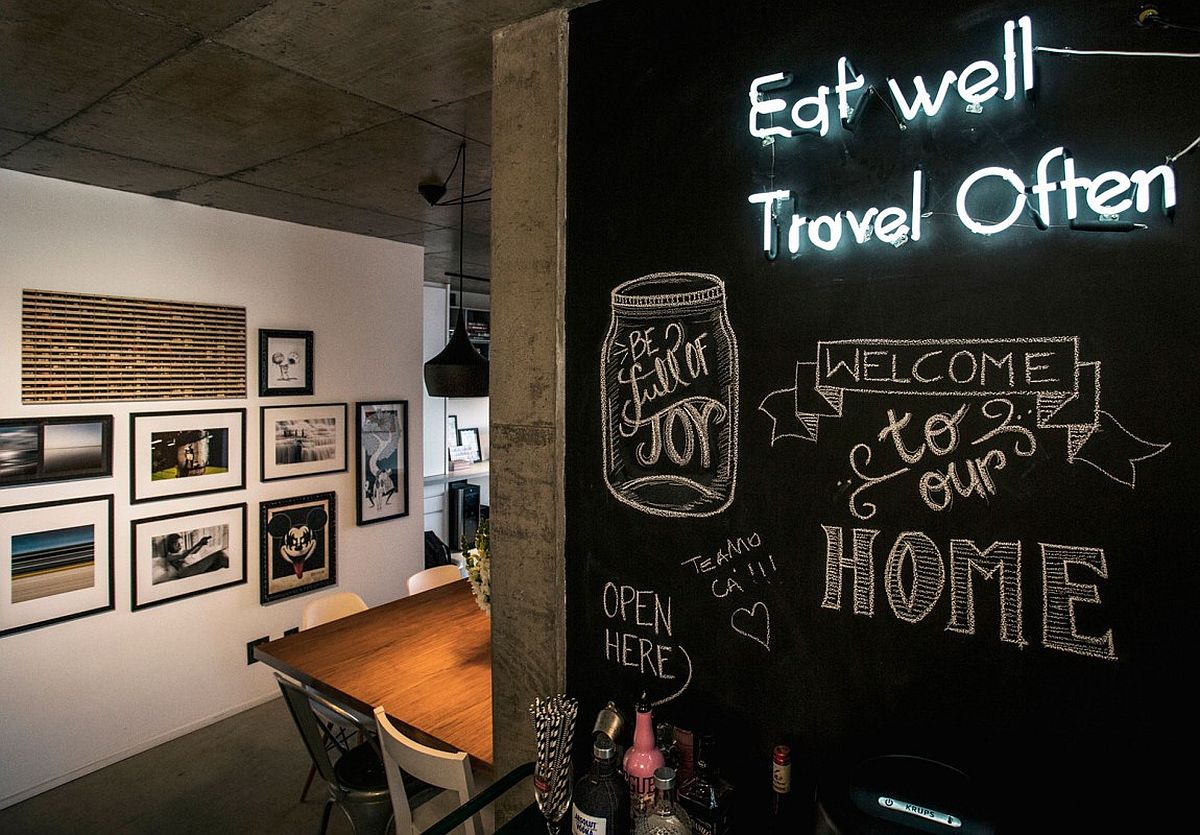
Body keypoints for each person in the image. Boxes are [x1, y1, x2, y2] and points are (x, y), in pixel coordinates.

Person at [152, 532, 226, 584]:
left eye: (181, 543)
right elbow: (183, 555)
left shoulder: (182, 551)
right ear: (171, 545)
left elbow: (194, 551)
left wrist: (201, 544)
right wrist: (198, 543)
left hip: (190, 570)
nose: (180, 545)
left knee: (220, 561)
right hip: (184, 572)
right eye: (177, 544)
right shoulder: (170, 555)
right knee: (220, 554)